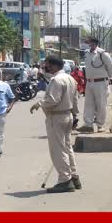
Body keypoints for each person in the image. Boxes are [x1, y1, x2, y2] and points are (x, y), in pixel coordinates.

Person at [30, 56, 81, 193]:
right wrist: (75, 115)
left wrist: (39, 104)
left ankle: (65, 180)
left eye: (47, 65)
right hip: (68, 115)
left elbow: (52, 100)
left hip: (57, 117)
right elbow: (75, 100)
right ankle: (74, 176)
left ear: (53, 66)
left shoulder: (56, 80)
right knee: (67, 147)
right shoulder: (70, 78)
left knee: (58, 149)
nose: (45, 67)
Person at [79, 37, 112, 132]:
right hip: (89, 82)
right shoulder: (87, 54)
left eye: (88, 42)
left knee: (101, 104)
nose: (87, 44)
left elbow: (111, 67)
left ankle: (100, 125)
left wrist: (107, 77)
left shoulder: (102, 53)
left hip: (101, 82)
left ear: (94, 42)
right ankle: (88, 125)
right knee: (88, 104)